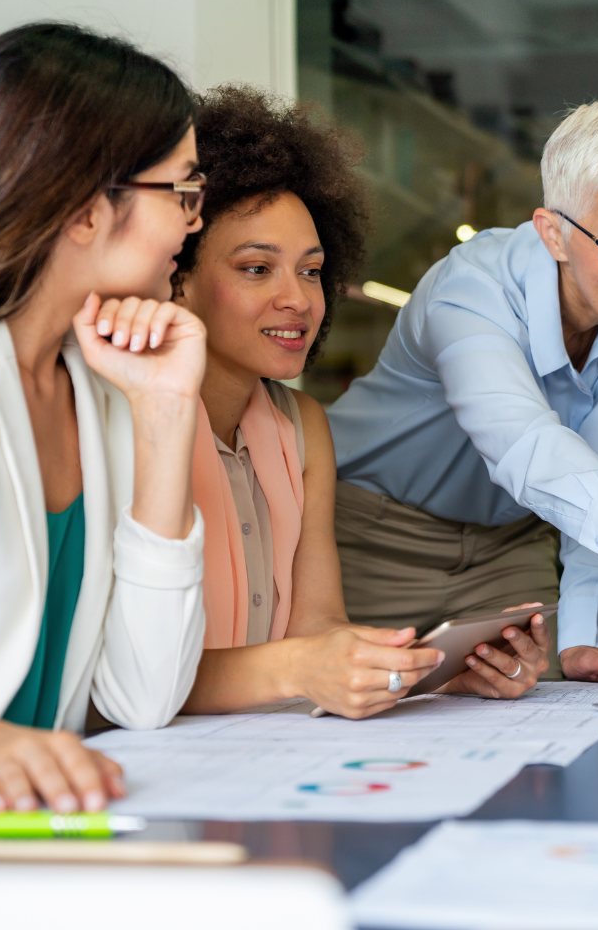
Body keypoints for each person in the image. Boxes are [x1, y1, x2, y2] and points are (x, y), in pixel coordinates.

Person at [0, 24, 209, 812]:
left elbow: (143, 698)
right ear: (83, 210)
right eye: (182, 192)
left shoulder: (99, 382)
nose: (194, 222)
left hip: (16, 837)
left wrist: (166, 410)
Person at [172, 86, 551, 716]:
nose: (298, 299)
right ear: (176, 275)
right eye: (257, 269)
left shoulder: (303, 428)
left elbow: (319, 633)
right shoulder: (131, 424)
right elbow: (116, 685)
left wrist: (435, 674)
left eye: (311, 270)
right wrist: (299, 666)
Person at [328, 97, 598, 684]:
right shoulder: (469, 288)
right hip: (378, 535)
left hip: (512, 543)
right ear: (553, 234)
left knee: (538, 705)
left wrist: (581, 639)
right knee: (354, 713)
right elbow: (521, 442)